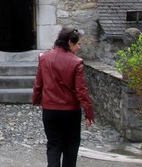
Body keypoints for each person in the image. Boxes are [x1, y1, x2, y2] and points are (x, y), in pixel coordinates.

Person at [32, 27, 95, 167]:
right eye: (78, 43)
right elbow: (81, 90)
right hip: (70, 111)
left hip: (50, 110)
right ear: (69, 42)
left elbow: (38, 83)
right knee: (71, 146)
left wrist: (36, 100)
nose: (79, 47)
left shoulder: (44, 58)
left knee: (54, 144)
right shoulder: (76, 62)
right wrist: (89, 113)